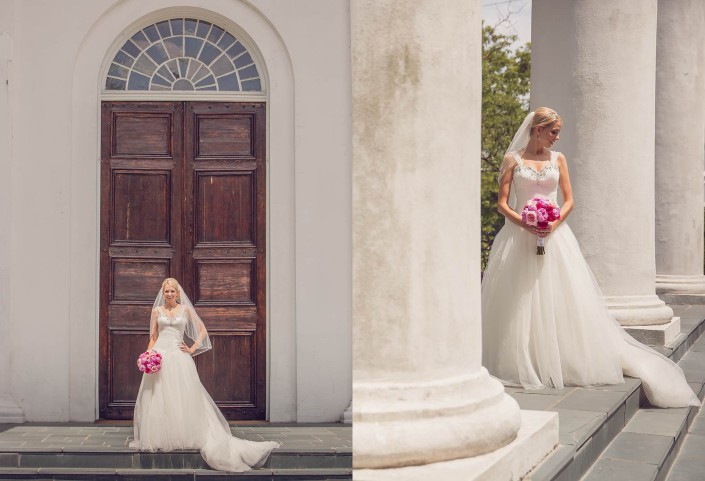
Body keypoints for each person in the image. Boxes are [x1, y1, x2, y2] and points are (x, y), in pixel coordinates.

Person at [481, 107, 700, 408]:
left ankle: (560, 358)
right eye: (553, 131)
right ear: (537, 129)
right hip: (519, 238)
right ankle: (523, 360)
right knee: (521, 298)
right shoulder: (512, 160)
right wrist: (526, 223)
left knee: (558, 297)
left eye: (558, 132)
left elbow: (569, 200)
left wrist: (552, 223)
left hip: (555, 238)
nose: (557, 137)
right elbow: (503, 204)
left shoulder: (558, 160)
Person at [129, 278, 280, 471]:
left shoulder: (185, 310)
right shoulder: (156, 312)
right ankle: (162, 435)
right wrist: (149, 355)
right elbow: (153, 337)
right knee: (159, 397)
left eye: (172, 292)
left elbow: (202, 330)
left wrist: (192, 348)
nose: (169, 294)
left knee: (182, 397)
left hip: (179, 357)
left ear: (177, 293)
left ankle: (184, 433)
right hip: (160, 357)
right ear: (162, 292)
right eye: (166, 291)